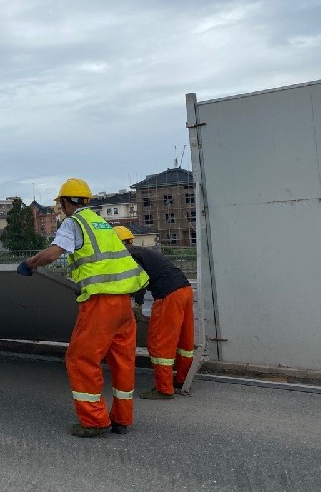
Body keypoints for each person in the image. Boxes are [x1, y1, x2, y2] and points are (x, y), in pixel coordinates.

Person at [19, 178, 148, 437]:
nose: (61, 208)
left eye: (61, 203)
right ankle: (122, 419)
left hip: (101, 302)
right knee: (122, 361)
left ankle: (94, 420)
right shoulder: (102, 224)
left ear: (66, 202)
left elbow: (53, 254)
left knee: (81, 359)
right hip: (124, 302)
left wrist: (31, 264)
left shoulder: (74, 222)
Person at [114, 226, 195, 399]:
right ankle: (181, 380)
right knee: (184, 339)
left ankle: (164, 389)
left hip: (168, 295)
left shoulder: (129, 255)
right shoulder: (143, 251)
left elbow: (140, 280)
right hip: (184, 289)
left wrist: (137, 304)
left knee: (160, 342)